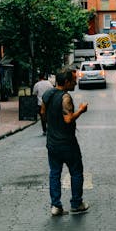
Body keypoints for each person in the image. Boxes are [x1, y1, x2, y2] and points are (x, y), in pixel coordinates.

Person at [41, 69, 89, 216]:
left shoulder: (47, 94)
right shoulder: (65, 97)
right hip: (67, 143)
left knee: (54, 173)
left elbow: (42, 112)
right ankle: (76, 203)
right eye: (73, 80)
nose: (75, 83)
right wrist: (81, 110)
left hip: (52, 143)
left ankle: (56, 206)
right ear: (66, 82)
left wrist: (51, 127)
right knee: (76, 172)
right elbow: (68, 119)